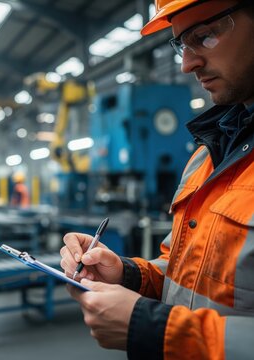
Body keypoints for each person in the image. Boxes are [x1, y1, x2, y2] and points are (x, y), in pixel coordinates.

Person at [59, 1, 254, 359]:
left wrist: (157, 330)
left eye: (205, 36)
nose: (186, 64)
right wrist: (127, 275)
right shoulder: (207, 156)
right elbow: (188, 272)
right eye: (182, 45)